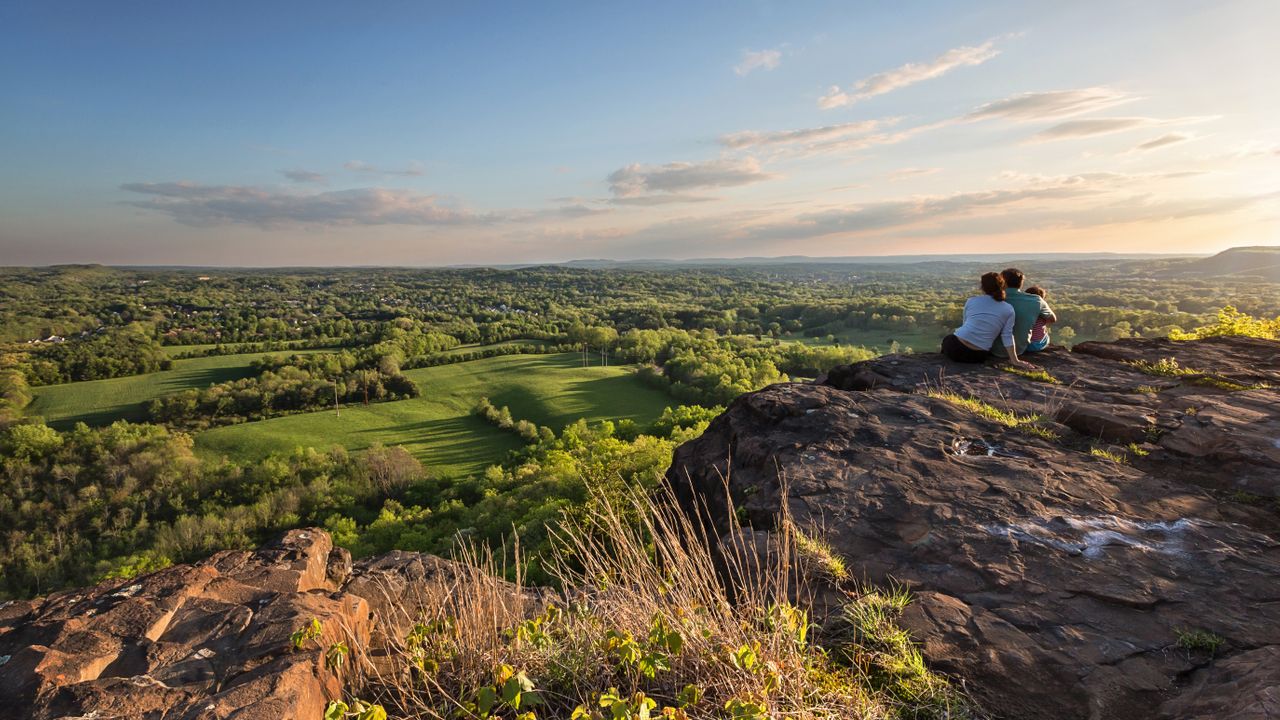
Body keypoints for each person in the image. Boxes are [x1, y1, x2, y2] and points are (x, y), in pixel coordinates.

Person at [941, 272, 1036, 367]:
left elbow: (965, 323)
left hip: (954, 347)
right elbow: (1007, 335)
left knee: (947, 339)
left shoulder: (971, 301)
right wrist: (1015, 360)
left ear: (982, 287)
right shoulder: (1008, 308)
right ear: (1003, 286)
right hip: (977, 355)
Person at [992, 268, 1056, 356]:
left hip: (991, 348)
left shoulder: (992, 299)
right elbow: (1052, 319)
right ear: (1021, 283)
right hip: (1019, 349)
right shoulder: (1036, 300)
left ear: (1003, 282)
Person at [1024, 285, 1052, 352]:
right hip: (1036, 345)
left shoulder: (1023, 309)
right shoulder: (1041, 311)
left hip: (1023, 345)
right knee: (1046, 334)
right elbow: (1051, 320)